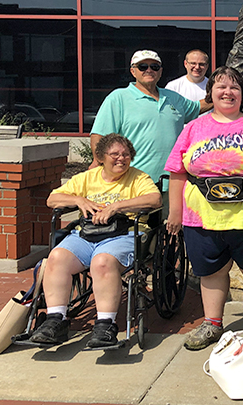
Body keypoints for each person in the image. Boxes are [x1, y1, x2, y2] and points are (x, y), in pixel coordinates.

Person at [164, 66, 243, 350]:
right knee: (211, 272)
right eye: (221, 86)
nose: (227, 92)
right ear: (211, 94)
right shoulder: (194, 128)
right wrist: (175, 213)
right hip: (202, 218)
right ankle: (212, 323)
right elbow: (177, 172)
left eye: (234, 87)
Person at [29, 134, 160, 348]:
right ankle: (55, 320)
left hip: (123, 234)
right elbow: (52, 199)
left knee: (102, 262)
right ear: (100, 157)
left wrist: (117, 206)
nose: (121, 159)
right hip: (87, 234)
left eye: (126, 154)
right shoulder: (87, 178)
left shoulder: (138, 178)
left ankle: (105, 324)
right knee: (56, 258)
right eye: (115, 154)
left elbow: (154, 199)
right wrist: (79, 199)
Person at [90, 50, 213, 185]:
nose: (149, 70)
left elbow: (198, 107)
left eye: (154, 67)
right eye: (143, 67)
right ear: (133, 71)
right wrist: (99, 163)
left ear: (160, 72)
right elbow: (99, 136)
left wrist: (224, 95)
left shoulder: (173, 97)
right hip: (132, 184)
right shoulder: (118, 98)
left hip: (173, 183)